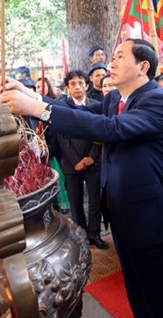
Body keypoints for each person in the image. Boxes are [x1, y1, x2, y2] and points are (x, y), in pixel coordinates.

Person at [0, 38, 163, 318]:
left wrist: (37, 110)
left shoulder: (157, 102)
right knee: (137, 294)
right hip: (122, 215)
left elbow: (109, 128)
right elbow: (82, 113)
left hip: (152, 218)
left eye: (120, 56)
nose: (111, 62)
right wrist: (34, 97)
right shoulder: (114, 98)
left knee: (162, 298)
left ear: (143, 66)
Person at [53, 71, 107, 249]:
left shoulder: (98, 105)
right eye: (73, 84)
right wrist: (76, 160)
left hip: (93, 161)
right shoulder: (61, 107)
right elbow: (61, 136)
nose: (77, 87)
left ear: (87, 85)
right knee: (75, 203)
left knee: (95, 200)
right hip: (71, 163)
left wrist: (91, 157)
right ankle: (81, 235)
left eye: (80, 83)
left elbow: (100, 131)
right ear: (67, 87)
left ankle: (95, 234)